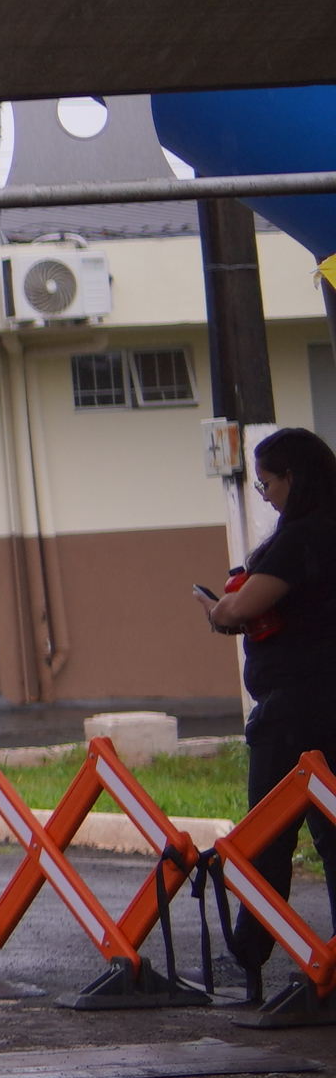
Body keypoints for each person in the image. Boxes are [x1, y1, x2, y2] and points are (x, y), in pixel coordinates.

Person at [198, 426, 336, 1028]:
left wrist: (215, 610)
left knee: (265, 838)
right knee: (333, 836)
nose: (266, 495)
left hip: (294, 710)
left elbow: (241, 607)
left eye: (268, 483)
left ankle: (248, 958)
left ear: (293, 479)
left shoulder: (300, 538)